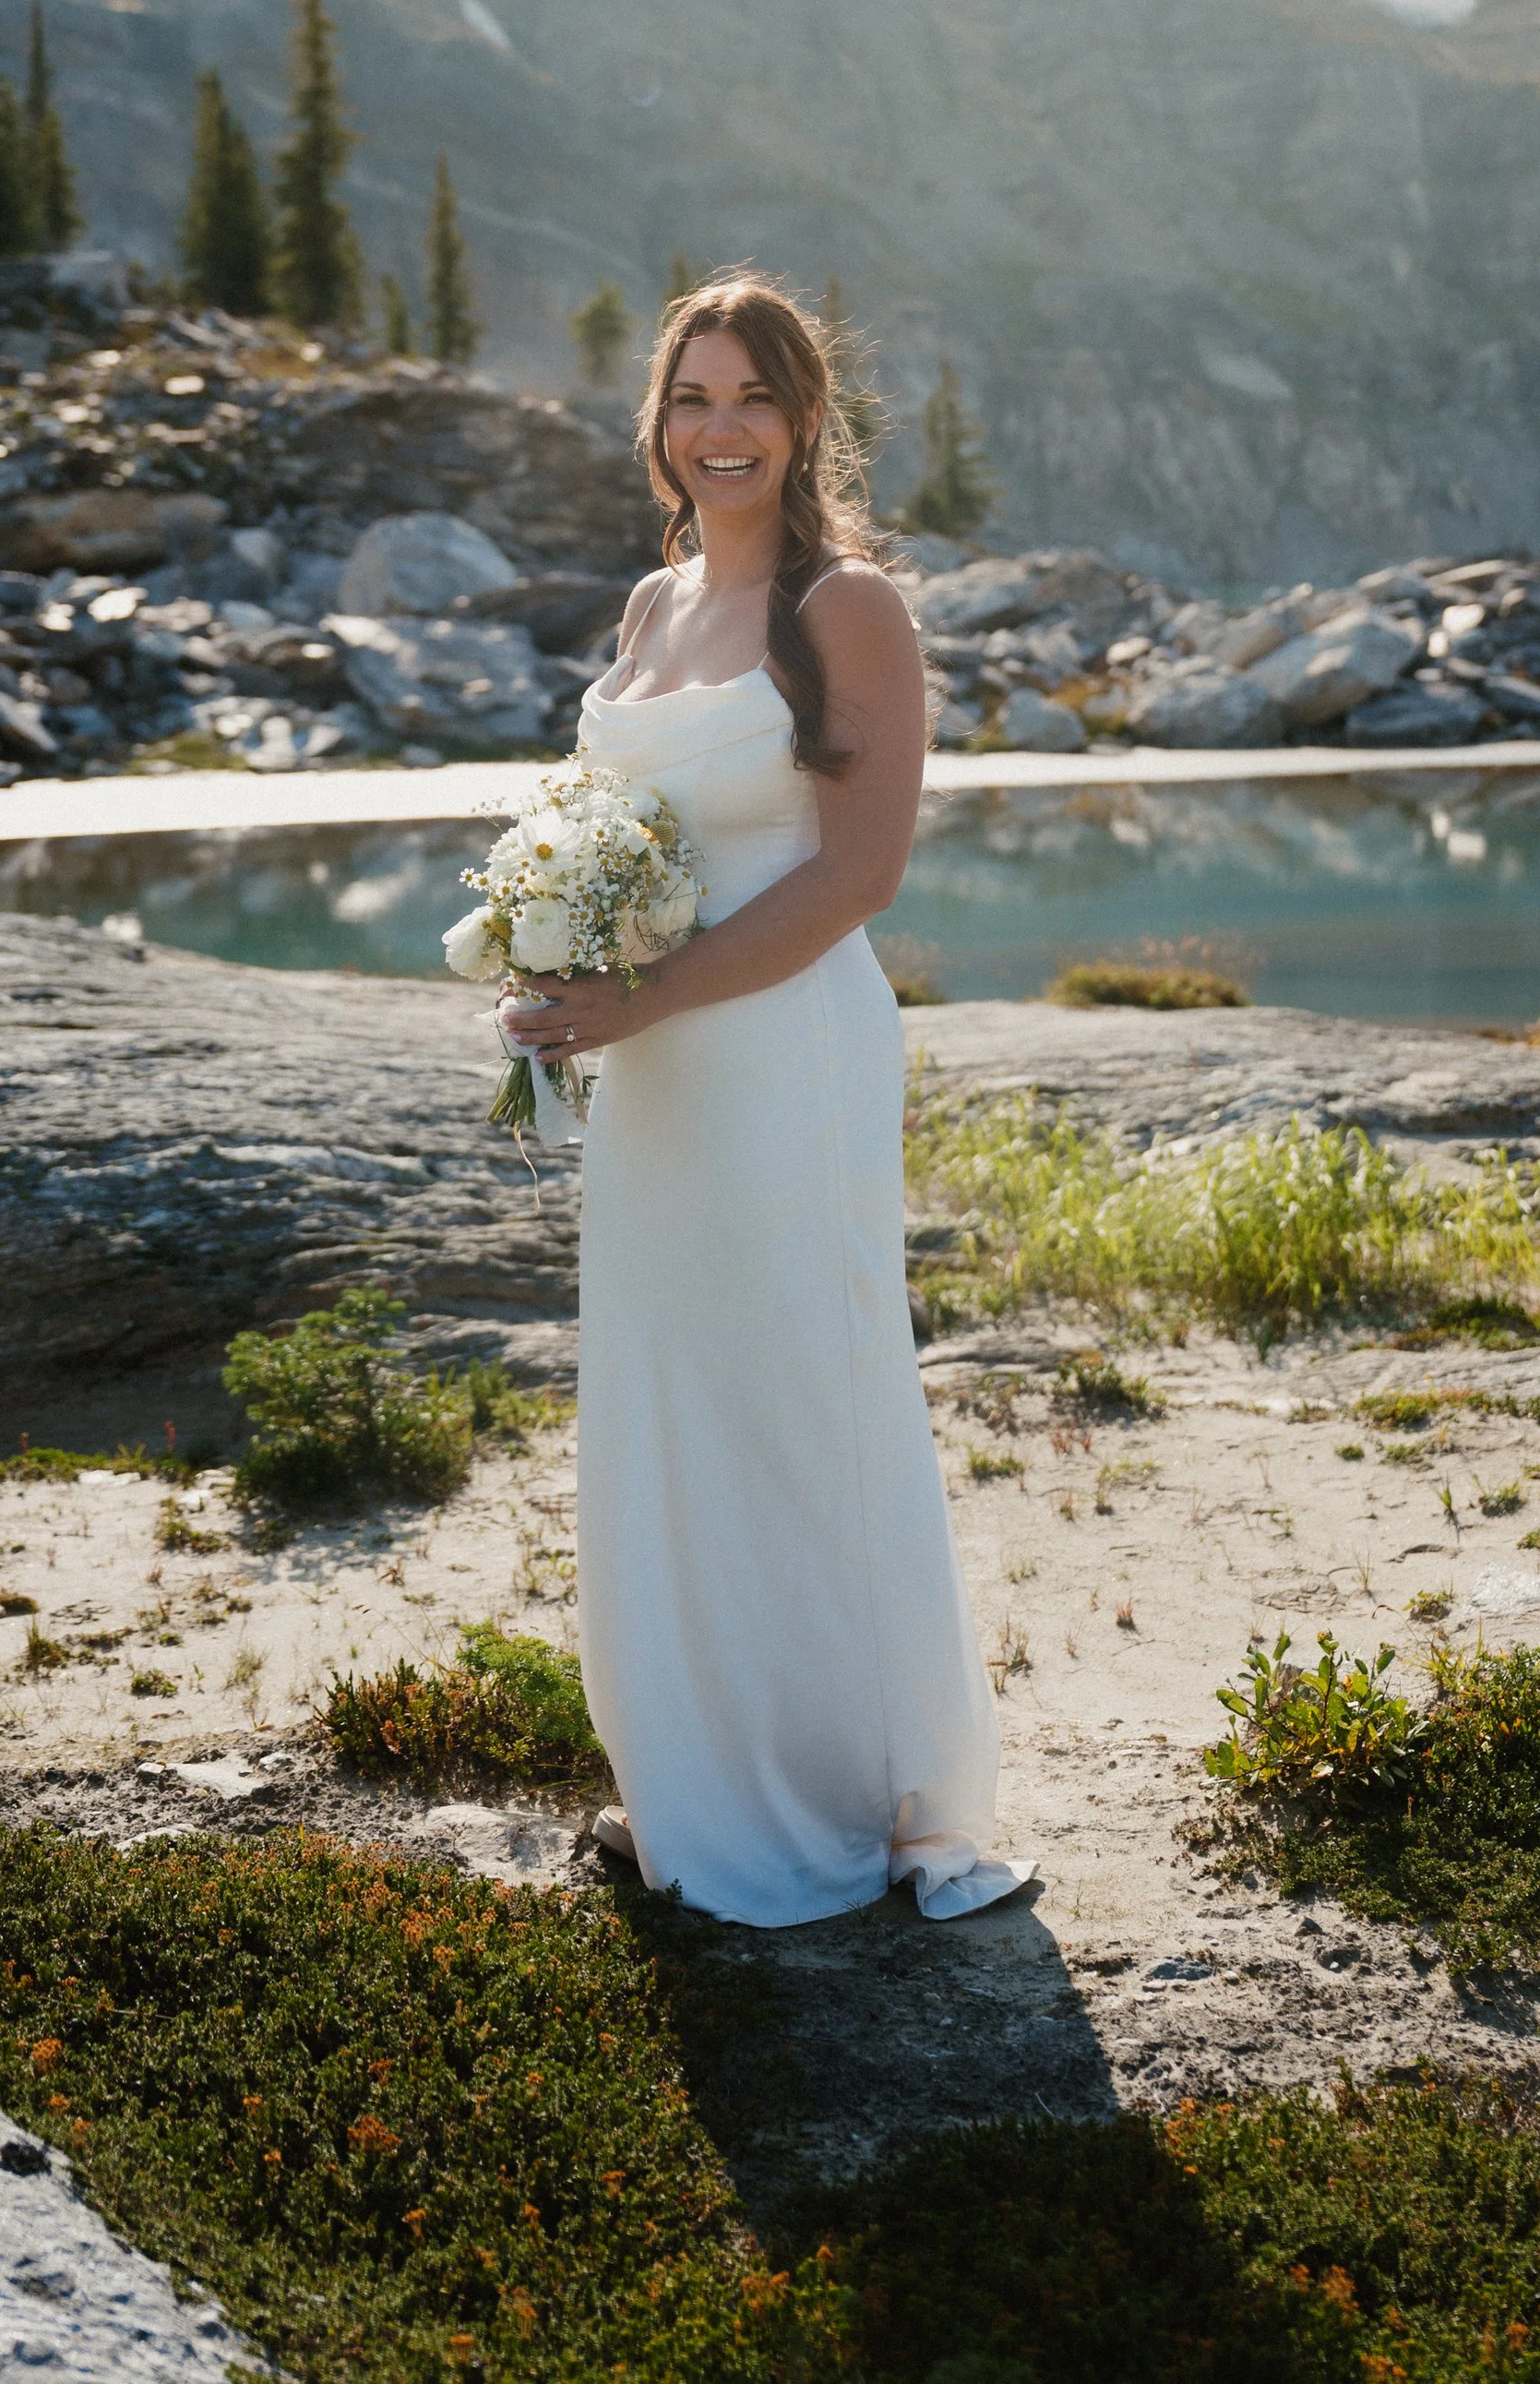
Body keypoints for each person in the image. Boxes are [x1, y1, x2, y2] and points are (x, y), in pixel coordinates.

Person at [499, 272, 1033, 1927]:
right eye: (690, 398)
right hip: (656, 1077)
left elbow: (858, 876)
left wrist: (647, 992)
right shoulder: (654, 611)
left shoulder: (847, 609)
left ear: (804, 422)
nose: (718, 430)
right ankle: (701, 1782)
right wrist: (561, 970)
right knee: (672, 1410)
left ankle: (867, 1801)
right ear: (659, 425)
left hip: (784, 1057)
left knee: (807, 1403)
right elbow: (625, 836)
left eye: (752, 399)